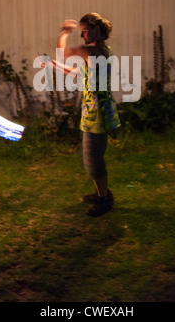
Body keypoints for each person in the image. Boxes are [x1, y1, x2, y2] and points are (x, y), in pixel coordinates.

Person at [55, 12, 121, 217]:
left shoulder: (90, 51)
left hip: (96, 114)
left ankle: (104, 199)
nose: (82, 36)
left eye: (85, 31)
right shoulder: (103, 50)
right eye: (81, 31)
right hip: (100, 110)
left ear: (97, 30)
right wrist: (54, 65)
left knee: (92, 161)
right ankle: (101, 193)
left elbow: (63, 52)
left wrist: (64, 32)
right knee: (95, 157)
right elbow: (79, 72)